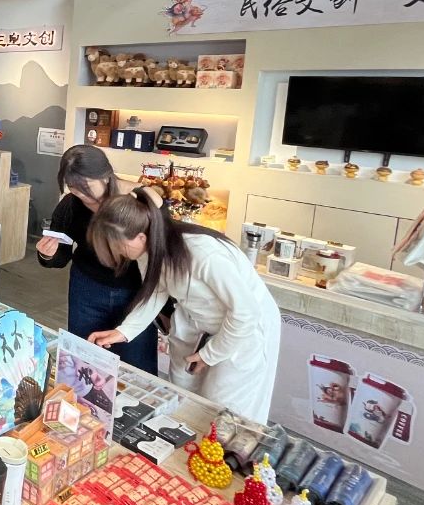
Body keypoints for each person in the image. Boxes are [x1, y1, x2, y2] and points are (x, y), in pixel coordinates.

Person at [86, 189, 282, 423]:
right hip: (200, 324)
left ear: (140, 237)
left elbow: (246, 312)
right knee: (185, 398)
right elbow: (155, 291)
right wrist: (123, 331)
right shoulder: (146, 250)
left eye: (118, 245)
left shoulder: (204, 253)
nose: (117, 252)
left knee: (226, 410)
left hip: (245, 330)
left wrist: (210, 355)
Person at [35, 146, 154, 374]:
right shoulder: (71, 204)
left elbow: (159, 251)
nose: (81, 195)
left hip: (135, 292)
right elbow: (61, 256)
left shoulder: (136, 201)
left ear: (106, 176)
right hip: (87, 289)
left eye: (86, 188)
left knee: (136, 366)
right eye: (73, 188)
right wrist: (48, 254)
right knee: (84, 363)